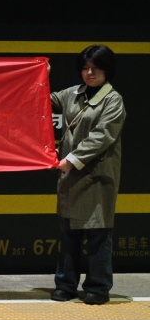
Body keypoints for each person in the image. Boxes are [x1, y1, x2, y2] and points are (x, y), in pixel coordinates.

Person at [50, 44, 124, 305]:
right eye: (85, 68)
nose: (89, 73)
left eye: (95, 68)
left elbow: (102, 136)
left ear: (107, 70)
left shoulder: (113, 100)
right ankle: (66, 284)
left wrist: (72, 159)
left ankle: (98, 287)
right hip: (70, 176)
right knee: (68, 233)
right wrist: (38, 76)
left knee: (97, 234)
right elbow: (43, 100)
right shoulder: (72, 93)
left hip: (97, 175)